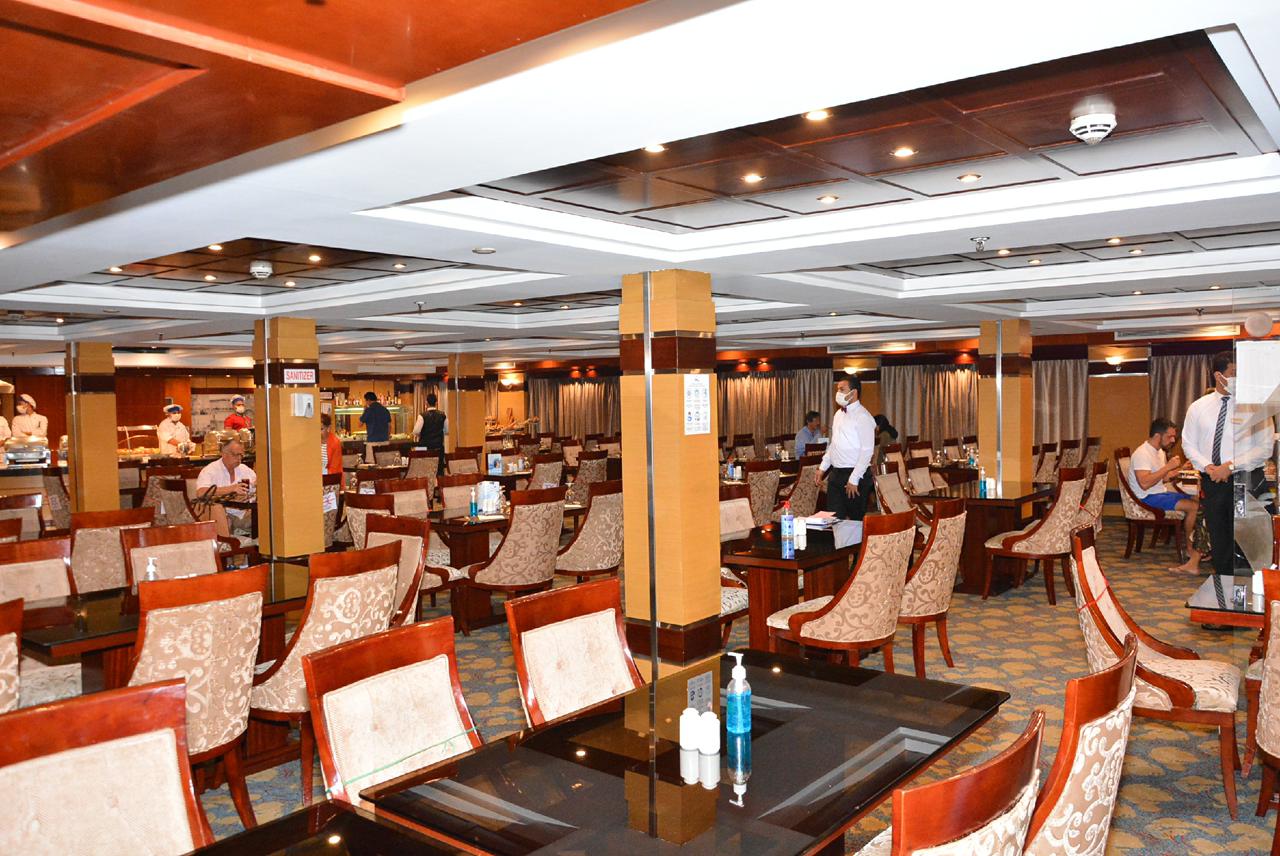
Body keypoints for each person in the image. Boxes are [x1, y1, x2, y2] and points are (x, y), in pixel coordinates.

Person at [1182, 350, 1275, 576]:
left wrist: (1230, 466)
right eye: (1234, 373)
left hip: (1246, 480)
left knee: (1248, 540)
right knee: (1220, 538)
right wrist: (1208, 467)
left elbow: (1265, 448)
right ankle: (1224, 584)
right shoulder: (1198, 407)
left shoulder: (1256, 406)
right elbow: (1188, 443)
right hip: (1213, 482)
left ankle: (1251, 588)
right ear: (1219, 375)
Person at [1129, 417, 1202, 573]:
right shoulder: (1142, 454)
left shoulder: (1159, 452)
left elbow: (1163, 478)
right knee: (1194, 507)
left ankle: (1199, 547)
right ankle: (1191, 550)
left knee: (1198, 499)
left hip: (1159, 493)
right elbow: (1145, 483)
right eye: (1170, 437)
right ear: (1158, 436)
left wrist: (1180, 469)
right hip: (1146, 498)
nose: (1173, 440)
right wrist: (1168, 467)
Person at [814, 376, 876, 520]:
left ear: (854, 393)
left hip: (856, 474)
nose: (838, 393)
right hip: (836, 474)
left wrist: (854, 479)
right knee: (834, 519)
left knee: (855, 522)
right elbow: (834, 444)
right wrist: (822, 468)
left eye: (842, 390)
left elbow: (867, 451)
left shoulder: (863, 416)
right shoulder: (838, 414)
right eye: (838, 390)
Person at [195, 438, 256, 536]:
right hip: (223, 513)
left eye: (241, 455)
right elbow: (201, 492)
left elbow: (256, 484)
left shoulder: (244, 469)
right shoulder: (211, 470)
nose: (239, 458)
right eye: (235, 455)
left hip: (245, 512)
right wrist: (231, 488)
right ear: (224, 454)